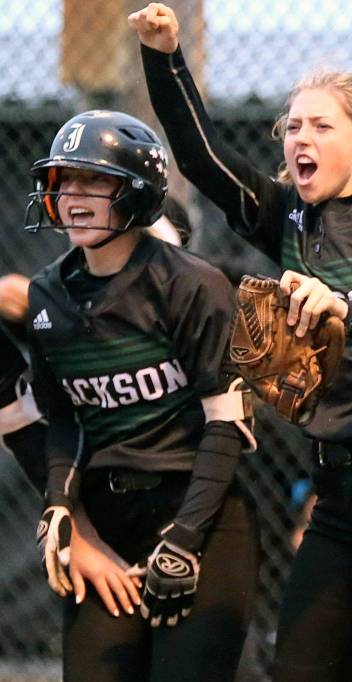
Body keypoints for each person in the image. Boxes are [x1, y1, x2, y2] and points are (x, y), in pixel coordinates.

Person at [129, 4, 352, 680]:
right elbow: (201, 157)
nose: (301, 137)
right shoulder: (290, 215)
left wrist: (345, 311)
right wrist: (163, 56)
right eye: (292, 126)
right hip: (338, 491)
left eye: (322, 125)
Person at [24, 109, 258, 681]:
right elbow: (64, 421)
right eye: (65, 180)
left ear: (136, 192)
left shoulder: (189, 284)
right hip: (107, 516)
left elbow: (226, 423)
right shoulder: (47, 293)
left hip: (199, 511)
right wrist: (60, 501)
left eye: (95, 181)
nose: (73, 196)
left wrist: (186, 537)